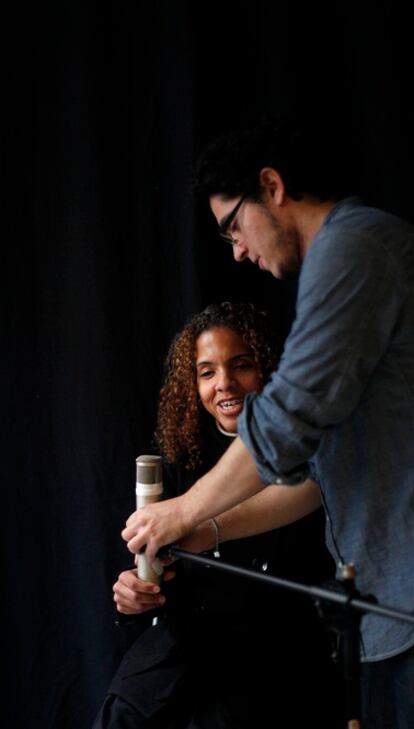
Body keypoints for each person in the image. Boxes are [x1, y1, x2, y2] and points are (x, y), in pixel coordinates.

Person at [121, 118, 414, 729]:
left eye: (233, 225)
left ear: (272, 186)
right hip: (386, 611)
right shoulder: (342, 258)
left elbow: (285, 425)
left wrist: (182, 511)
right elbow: (313, 477)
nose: (237, 251)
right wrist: (209, 530)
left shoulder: (355, 247)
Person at [93, 301, 343, 729]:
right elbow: (154, 566)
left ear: (269, 369)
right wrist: (133, 593)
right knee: (121, 715)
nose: (225, 384)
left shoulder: (309, 456)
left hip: (271, 646)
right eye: (207, 372)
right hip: (185, 640)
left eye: (241, 365)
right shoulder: (177, 457)